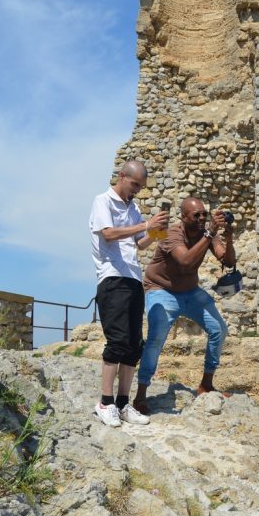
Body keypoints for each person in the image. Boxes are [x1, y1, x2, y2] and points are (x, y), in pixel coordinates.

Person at [134, 197, 235, 412]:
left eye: (204, 215)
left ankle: (206, 384)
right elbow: (186, 261)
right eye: (196, 215)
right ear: (183, 217)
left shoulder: (206, 234)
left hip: (190, 291)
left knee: (218, 329)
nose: (201, 219)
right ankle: (141, 394)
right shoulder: (171, 233)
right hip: (160, 289)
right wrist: (209, 234)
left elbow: (228, 261)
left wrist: (229, 237)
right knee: (156, 337)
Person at [89, 160, 168, 427]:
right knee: (118, 341)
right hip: (112, 278)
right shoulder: (103, 201)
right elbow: (109, 234)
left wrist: (156, 232)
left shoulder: (132, 208)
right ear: (122, 177)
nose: (137, 190)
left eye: (141, 187)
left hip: (133, 278)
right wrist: (145, 225)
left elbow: (139, 244)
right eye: (135, 184)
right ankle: (105, 402)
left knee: (134, 344)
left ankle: (123, 404)